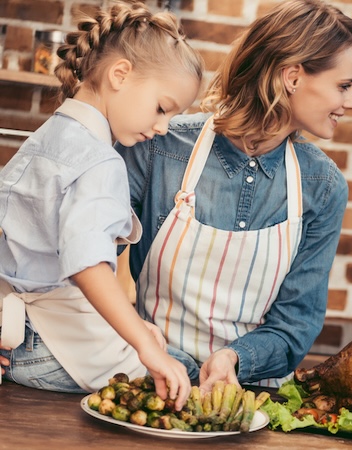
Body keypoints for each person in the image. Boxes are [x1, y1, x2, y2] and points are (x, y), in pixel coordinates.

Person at [116, 0, 352, 392]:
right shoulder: (159, 147)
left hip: (249, 399)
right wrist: (171, 362)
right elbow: (95, 271)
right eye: (344, 85)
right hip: (149, 379)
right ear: (292, 76)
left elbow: (295, 324)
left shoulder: (323, 186)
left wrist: (235, 359)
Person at [0, 1, 203, 409]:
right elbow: (87, 264)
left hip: (14, 325)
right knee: (183, 366)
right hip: (41, 345)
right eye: (162, 108)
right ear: (120, 75)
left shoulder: (47, 136)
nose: (163, 127)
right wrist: (145, 346)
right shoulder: (100, 160)